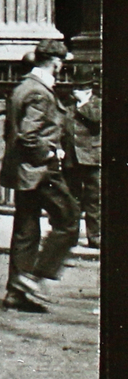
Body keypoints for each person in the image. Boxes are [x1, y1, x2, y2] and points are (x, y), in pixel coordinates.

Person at [1, 40, 80, 312]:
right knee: (69, 219)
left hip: (23, 173)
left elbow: (9, 131)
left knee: (26, 230)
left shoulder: (22, 87)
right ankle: (36, 278)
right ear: (55, 62)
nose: (62, 67)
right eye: (62, 63)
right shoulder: (40, 93)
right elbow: (28, 135)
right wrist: (49, 155)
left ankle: (16, 293)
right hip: (40, 171)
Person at [62, 64, 102, 251]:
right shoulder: (68, 106)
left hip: (91, 158)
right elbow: (62, 128)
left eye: (81, 88)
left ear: (89, 89)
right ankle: (71, 235)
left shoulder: (97, 104)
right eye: (75, 87)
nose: (76, 91)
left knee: (93, 199)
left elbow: (96, 118)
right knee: (73, 199)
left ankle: (95, 236)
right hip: (72, 159)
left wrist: (83, 104)